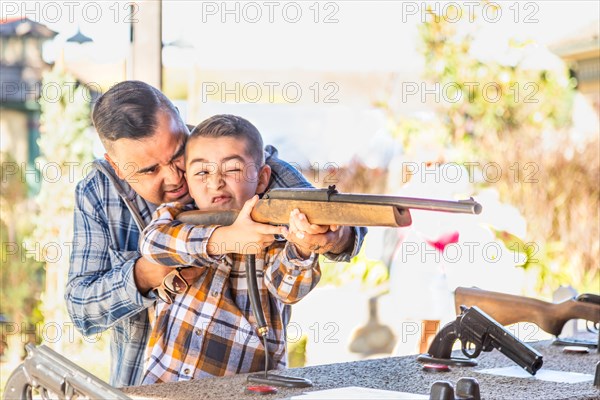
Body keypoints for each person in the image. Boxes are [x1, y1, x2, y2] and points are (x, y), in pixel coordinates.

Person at [65, 81, 366, 387]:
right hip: (146, 387)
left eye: (178, 153)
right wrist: (150, 273)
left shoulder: (241, 160)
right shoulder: (97, 192)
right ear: (116, 165)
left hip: (247, 383)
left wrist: (326, 236)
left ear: (180, 121)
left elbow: (342, 222)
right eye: (149, 170)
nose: (174, 177)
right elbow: (82, 309)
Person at [139, 114, 322, 383]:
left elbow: (289, 290)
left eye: (233, 170)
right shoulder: (176, 215)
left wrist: (304, 246)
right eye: (202, 172)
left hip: (247, 389)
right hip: (163, 385)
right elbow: (151, 244)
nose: (215, 183)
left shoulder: (275, 233)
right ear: (187, 180)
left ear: (261, 179)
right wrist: (227, 239)